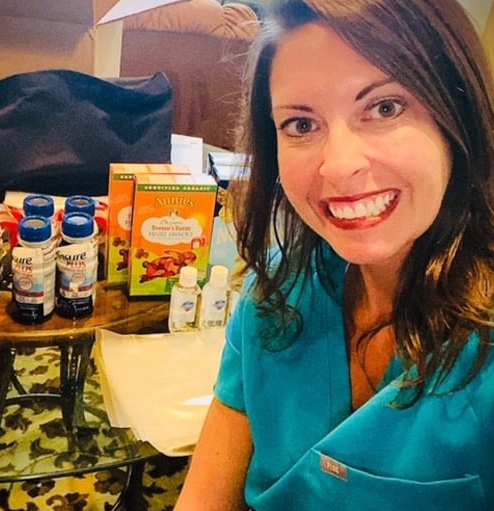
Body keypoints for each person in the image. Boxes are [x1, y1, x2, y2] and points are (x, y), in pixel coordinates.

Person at [174, 0, 494, 509]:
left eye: (385, 107)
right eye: (301, 125)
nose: (339, 166)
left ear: (458, 118)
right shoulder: (274, 295)